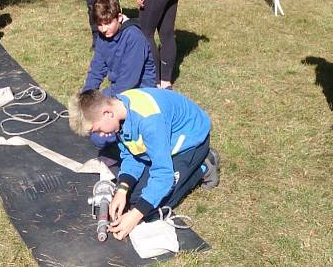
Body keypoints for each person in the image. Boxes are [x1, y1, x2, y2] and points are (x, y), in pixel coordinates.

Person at [68, 88, 220, 240]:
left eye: (98, 129)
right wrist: (122, 190)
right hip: (162, 144)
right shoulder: (120, 112)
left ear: (107, 113)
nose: (100, 135)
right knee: (134, 198)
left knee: (153, 209)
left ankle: (205, 163)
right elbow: (132, 154)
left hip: (191, 143)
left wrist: (135, 216)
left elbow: (163, 174)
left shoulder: (149, 120)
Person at [83, 0, 157, 149]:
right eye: (100, 25)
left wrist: (103, 101)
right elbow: (97, 68)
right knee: (89, 125)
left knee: (99, 137)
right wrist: (86, 98)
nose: (103, 29)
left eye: (108, 23)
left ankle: (126, 141)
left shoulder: (134, 37)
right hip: (119, 91)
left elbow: (129, 81)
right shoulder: (103, 36)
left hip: (138, 93)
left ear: (119, 17)